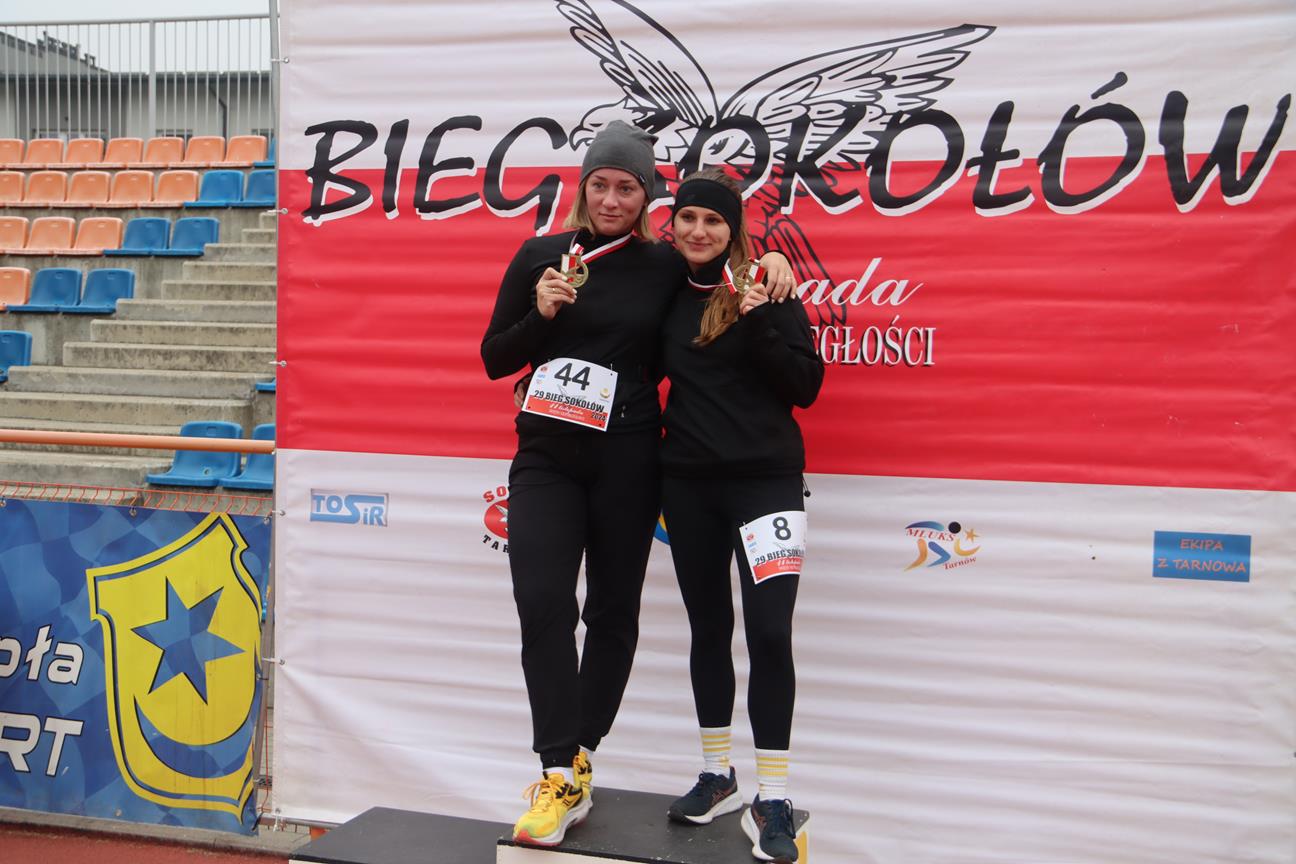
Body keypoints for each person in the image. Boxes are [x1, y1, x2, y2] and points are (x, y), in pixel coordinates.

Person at [481, 123, 795, 848]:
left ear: (647, 196)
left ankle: (577, 759)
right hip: (547, 457)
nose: (613, 199)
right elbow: (496, 357)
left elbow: (724, 261)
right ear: (583, 187)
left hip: (628, 458)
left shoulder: (661, 265)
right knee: (543, 602)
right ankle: (555, 765)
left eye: (628, 187)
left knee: (613, 614)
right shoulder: (538, 256)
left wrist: (774, 256)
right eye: (601, 184)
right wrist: (540, 315)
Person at [658, 168, 823, 864]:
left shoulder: (768, 288)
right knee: (708, 628)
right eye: (688, 218)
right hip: (688, 488)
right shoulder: (663, 287)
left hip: (766, 487)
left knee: (769, 633)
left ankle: (773, 796)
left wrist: (756, 315)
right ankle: (717, 773)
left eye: (713, 221)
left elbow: (805, 387)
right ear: (673, 225)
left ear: (734, 232)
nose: (699, 231)